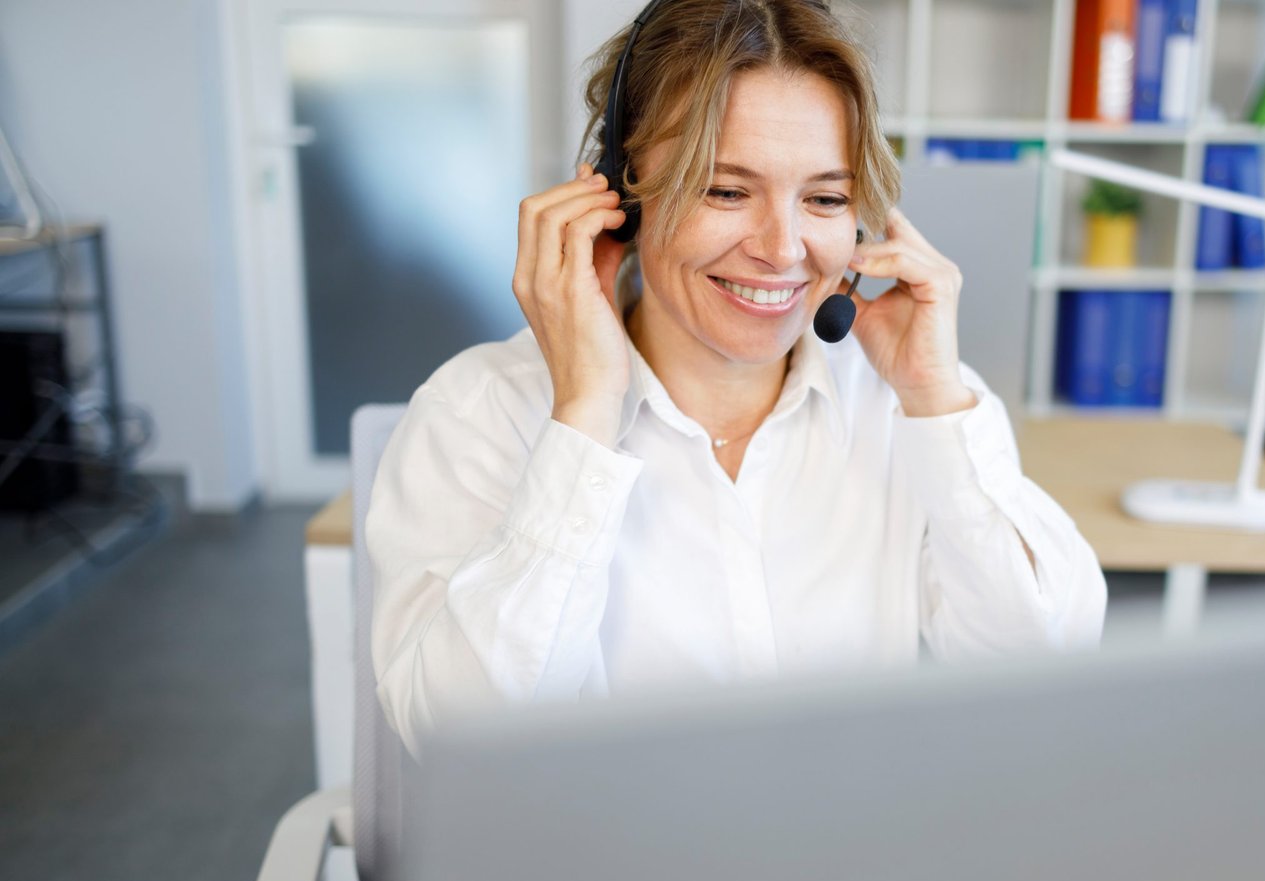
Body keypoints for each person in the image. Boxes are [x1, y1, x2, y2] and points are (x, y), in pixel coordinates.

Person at [367, 0, 1107, 759]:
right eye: (726, 190)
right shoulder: (481, 411)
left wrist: (934, 399)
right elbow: (462, 740)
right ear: (623, 199)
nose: (784, 249)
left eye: (824, 198)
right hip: (611, 872)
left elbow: (1038, 660)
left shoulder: (902, 403)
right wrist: (584, 414)